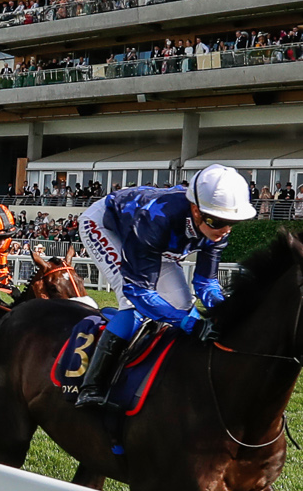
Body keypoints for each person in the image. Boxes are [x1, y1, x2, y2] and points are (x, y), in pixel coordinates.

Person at [72, 164, 254, 409]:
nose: (225, 230)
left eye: (232, 222)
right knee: (132, 306)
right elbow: (139, 291)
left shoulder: (217, 230)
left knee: (183, 304)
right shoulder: (156, 220)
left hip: (156, 242)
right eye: (218, 221)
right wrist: (189, 323)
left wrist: (224, 311)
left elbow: (205, 282)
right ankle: (91, 387)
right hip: (106, 225)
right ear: (195, 210)